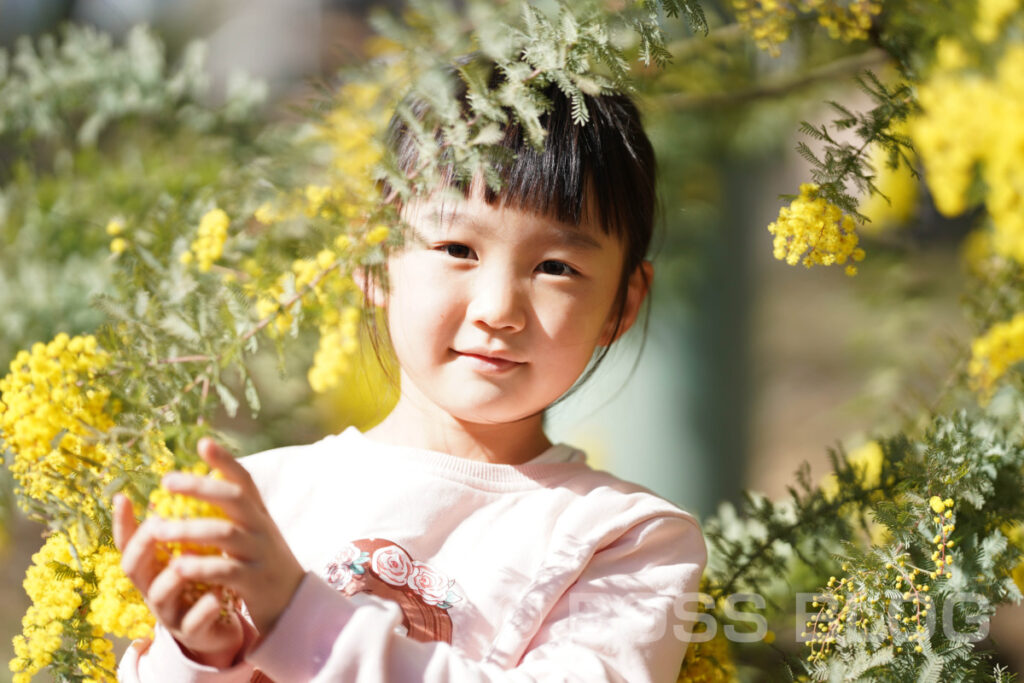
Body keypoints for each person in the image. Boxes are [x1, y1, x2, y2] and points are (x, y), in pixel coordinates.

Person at [113, 78, 707, 682]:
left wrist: (297, 619)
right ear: (373, 257)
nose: (498, 308)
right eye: (456, 248)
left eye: (556, 267)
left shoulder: (627, 541)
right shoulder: (264, 499)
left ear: (621, 305)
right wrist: (203, 658)